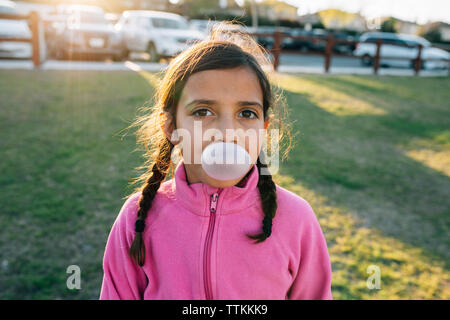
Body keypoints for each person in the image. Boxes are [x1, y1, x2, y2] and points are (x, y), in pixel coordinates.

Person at [99, 22, 332, 300]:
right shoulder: (136, 219)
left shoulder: (296, 220)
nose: (227, 132)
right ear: (171, 126)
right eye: (203, 111)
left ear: (264, 127)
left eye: (246, 114)